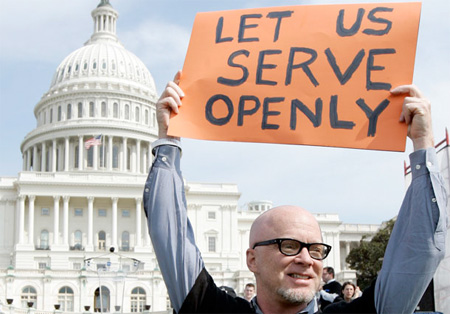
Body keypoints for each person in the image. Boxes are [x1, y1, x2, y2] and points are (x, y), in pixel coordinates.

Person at [143, 71, 447, 313]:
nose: (306, 259)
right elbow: (169, 234)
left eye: (315, 249)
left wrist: (423, 144)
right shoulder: (212, 308)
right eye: (288, 245)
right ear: (252, 260)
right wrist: (168, 141)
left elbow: (420, 249)